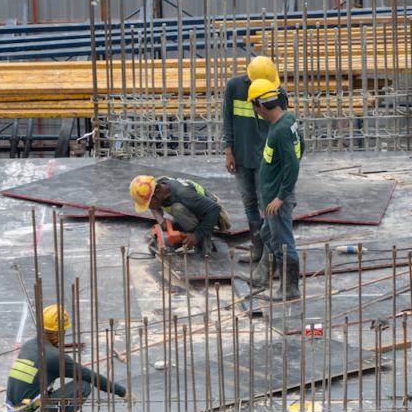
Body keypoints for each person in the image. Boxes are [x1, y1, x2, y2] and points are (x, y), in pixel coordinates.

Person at [5, 305, 130, 412]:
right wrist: (123, 392)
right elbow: (92, 377)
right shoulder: (55, 356)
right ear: (61, 332)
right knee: (83, 386)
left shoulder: (28, 345)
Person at [238, 78, 305, 301]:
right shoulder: (286, 121)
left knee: (282, 242)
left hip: (278, 199)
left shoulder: (280, 130)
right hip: (272, 197)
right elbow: (301, 146)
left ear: (261, 105)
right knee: (268, 234)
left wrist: (281, 195)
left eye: (253, 106)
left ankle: (290, 289)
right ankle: (263, 277)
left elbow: (293, 163)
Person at [222, 56, 288, 264]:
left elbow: (281, 127)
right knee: (249, 202)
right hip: (241, 157)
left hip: (266, 160)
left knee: (267, 204)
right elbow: (228, 119)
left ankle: (271, 252)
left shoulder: (279, 94)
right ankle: (257, 249)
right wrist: (229, 151)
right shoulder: (234, 87)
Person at [129, 175, 232, 253]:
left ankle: (203, 242)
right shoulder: (158, 187)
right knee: (163, 245)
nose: (149, 207)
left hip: (209, 215)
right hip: (190, 215)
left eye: (148, 204)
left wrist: (197, 235)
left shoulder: (183, 193)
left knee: (177, 209)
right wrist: (161, 220)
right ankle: (188, 238)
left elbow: (214, 209)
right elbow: (155, 207)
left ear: (158, 193)